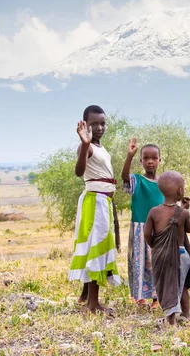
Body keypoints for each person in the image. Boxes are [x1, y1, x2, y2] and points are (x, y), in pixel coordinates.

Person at [69, 105, 120, 314]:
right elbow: (79, 171)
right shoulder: (87, 147)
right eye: (94, 124)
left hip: (103, 202)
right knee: (95, 248)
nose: (99, 127)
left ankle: (87, 296)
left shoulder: (100, 148)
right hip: (95, 201)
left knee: (97, 247)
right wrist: (84, 143)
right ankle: (92, 303)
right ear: (85, 125)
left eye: (102, 123)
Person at [144, 171, 190, 325]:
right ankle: (186, 315)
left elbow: (147, 233)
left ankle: (170, 319)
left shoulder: (154, 211)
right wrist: (184, 210)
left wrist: (155, 245)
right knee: (182, 285)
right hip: (180, 255)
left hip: (161, 255)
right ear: (180, 191)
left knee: (167, 285)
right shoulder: (183, 213)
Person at [121, 137, 163, 308]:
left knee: (156, 262)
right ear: (141, 161)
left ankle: (156, 297)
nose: (150, 162)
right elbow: (124, 177)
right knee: (139, 262)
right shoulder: (137, 180)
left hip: (159, 228)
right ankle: (140, 297)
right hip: (140, 228)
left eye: (154, 158)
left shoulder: (164, 182)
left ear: (160, 160)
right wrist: (129, 156)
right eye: (146, 158)